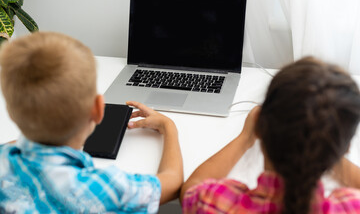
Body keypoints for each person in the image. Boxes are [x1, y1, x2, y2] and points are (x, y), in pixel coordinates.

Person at [0, 32, 183, 213]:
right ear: (98, 108)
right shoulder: (103, 189)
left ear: (10, 112)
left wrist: (39, 131)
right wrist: (168, 127)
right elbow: (172, 182)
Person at [180, 57, 360, 214]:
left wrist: (245, 137)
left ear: (260, 125)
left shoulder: (217, 203)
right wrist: (323, 141)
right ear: (346, 147)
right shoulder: (352, 207)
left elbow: (191, 190)